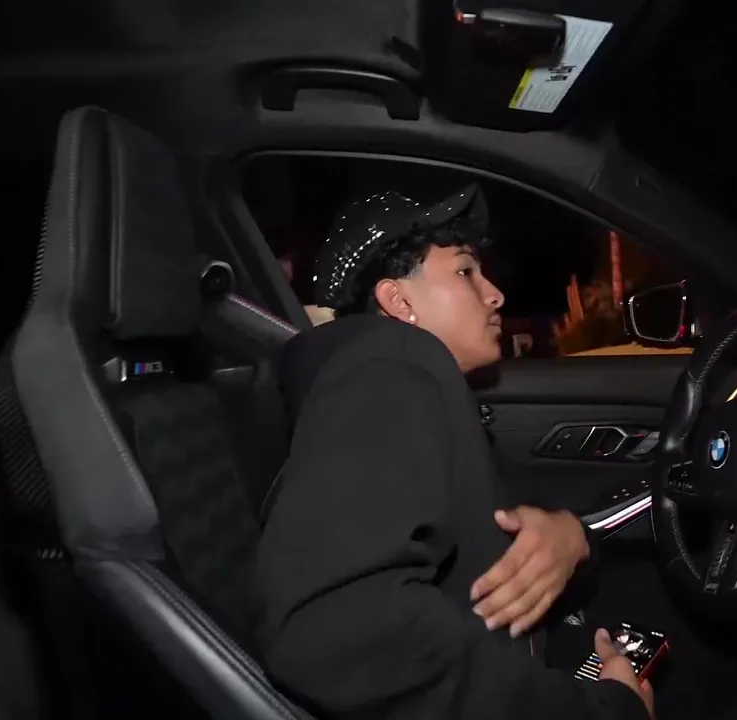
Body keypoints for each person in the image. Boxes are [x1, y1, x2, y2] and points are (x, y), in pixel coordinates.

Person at [252, 185, 654, 719]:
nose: (496, 295)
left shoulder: (419, 385)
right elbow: (334, 626)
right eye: (466, 272)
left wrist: (570, 540)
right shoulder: (387, 376)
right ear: (399, 302)